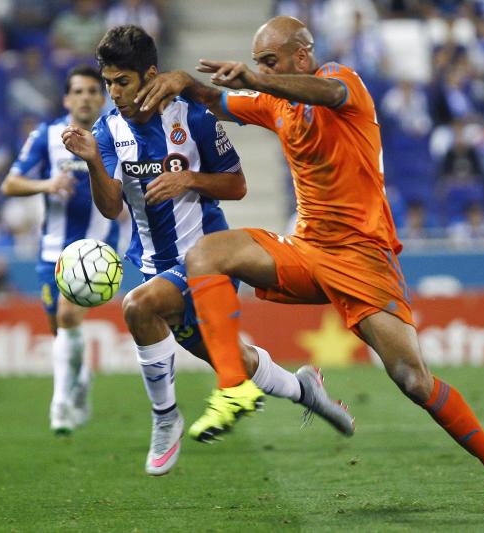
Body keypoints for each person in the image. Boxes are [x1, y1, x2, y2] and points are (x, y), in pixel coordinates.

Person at [134, 16, 484, 511]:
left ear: (301, 56)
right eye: (257, 62)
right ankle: (232, 386)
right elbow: (214, 101)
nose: (259, 69)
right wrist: (185, 82)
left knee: (414, 381)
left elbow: (327, 93)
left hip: (364, 259)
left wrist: (255, 79)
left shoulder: (344, 83)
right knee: (208, 253)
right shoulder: (274, 103)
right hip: (308, 250)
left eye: (269, 60)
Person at [61, 25, 354, 476]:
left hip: (206, 257)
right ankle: (303, 388)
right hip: (152, 262)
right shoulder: (107, 128)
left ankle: (165, 420)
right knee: (226, 356)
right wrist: (94, 162)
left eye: (123, 82)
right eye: (108, 83)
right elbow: (111, 205)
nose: (114, 93)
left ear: (149, 75)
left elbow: (237, 185)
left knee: (138, 308)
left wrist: (189, 178)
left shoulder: (192, 118)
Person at [1, 65, 120, 435]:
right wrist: (48, 184)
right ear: (67, 98)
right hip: (52, 250)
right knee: (60, 329)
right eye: (79, 92)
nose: (86, 97)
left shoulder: (117, 134)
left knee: (69, 317)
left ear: (102, 98)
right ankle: (81, 379)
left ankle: (60, 404)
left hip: (95, 252)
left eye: (92, 91)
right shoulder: (47, 135)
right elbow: (10, 184)